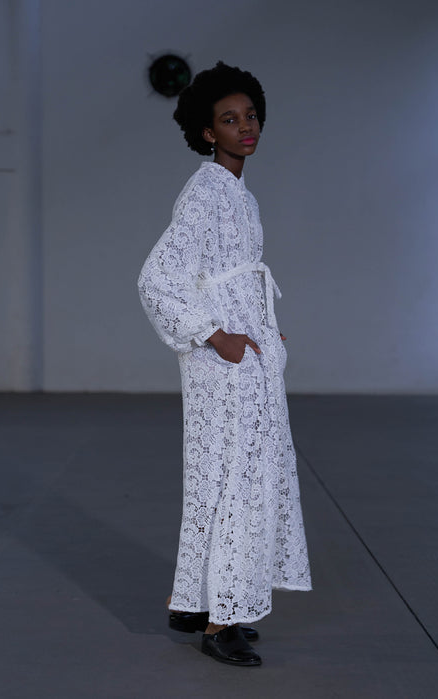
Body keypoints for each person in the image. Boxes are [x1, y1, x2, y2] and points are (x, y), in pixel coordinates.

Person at [138, 61, 311, 667]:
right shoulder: (207, 191)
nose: (247, 127)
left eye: (251, 116)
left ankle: (194, 603)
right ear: (208, 132)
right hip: (223, 369)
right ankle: (221, 623)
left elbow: (224, 277)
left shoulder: (237, 192)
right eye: (231, 120)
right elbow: (158, 280)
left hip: (245, 360)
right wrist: (216, 335)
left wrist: (259, 324)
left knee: (224, 480)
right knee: (235, 482)